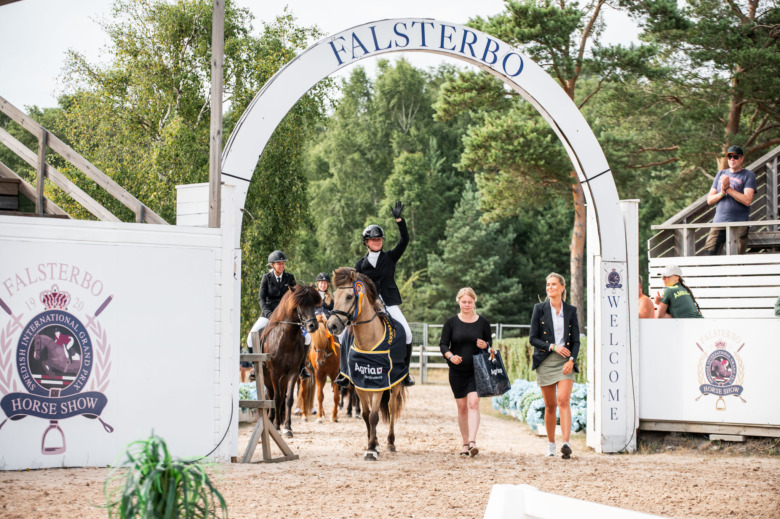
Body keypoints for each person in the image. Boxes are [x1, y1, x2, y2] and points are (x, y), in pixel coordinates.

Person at [336, 200, 414, 387]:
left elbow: (405, 241)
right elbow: (355, 288)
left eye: (379, 239)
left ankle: (405, 374)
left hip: (389, 302)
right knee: (343, 335)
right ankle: (344, 373)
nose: (377, 242)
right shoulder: (359, 265)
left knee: (408, 334)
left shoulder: (390, 257)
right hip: (368, 305)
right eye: (373, 239)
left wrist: (399, 220)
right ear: (367, 242)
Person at [529, 273, 580, 459]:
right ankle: (551, 443)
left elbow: (576, 341)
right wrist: (552, 346)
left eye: (554, 284)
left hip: (565, 361)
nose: (550, 288)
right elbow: (532, 338)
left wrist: (571, 360)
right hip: (545, 360)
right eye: (548, 285)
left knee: (564, 400)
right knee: (550, 406)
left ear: (562, 287)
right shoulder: (539, 309)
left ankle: (566, 443)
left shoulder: (571, 311)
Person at [439, 287, 492, 457]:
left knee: (473, 404)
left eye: (470, 302)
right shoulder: (451, 322)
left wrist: (486, 345)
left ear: (474, 302)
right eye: (464, 302)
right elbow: (443, 344)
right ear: (458, 302)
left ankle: (472, 441)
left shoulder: (483, 323)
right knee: (462, 408)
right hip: (457, 371)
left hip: (477, 370)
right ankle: (464, 443)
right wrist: (450, 356)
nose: (467, 305)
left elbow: (490, 344)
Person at [247, 250, 312, 379]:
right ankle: (255, 367)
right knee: (250, 337)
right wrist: (268, 313)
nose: (282, 266)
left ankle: (302, 367)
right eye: (279, 264)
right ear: (272, 265)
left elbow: (294, 297)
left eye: (283, 263)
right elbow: (261, 298)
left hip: (286, 316)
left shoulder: (290, 278)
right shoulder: (266, 278)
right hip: (268, 315)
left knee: (308, 338)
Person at [704, 145, 756, 255]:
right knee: (708, 255)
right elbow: (709, 200)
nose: (732, 159)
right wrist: (722, 193)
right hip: (719, 222)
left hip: (739, 223)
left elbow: (747, 200)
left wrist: (728, 189)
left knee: (738, 258)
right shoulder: (720, 174)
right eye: (729, 157)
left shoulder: (748, 175)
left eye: (735, 157)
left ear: (742, 159)